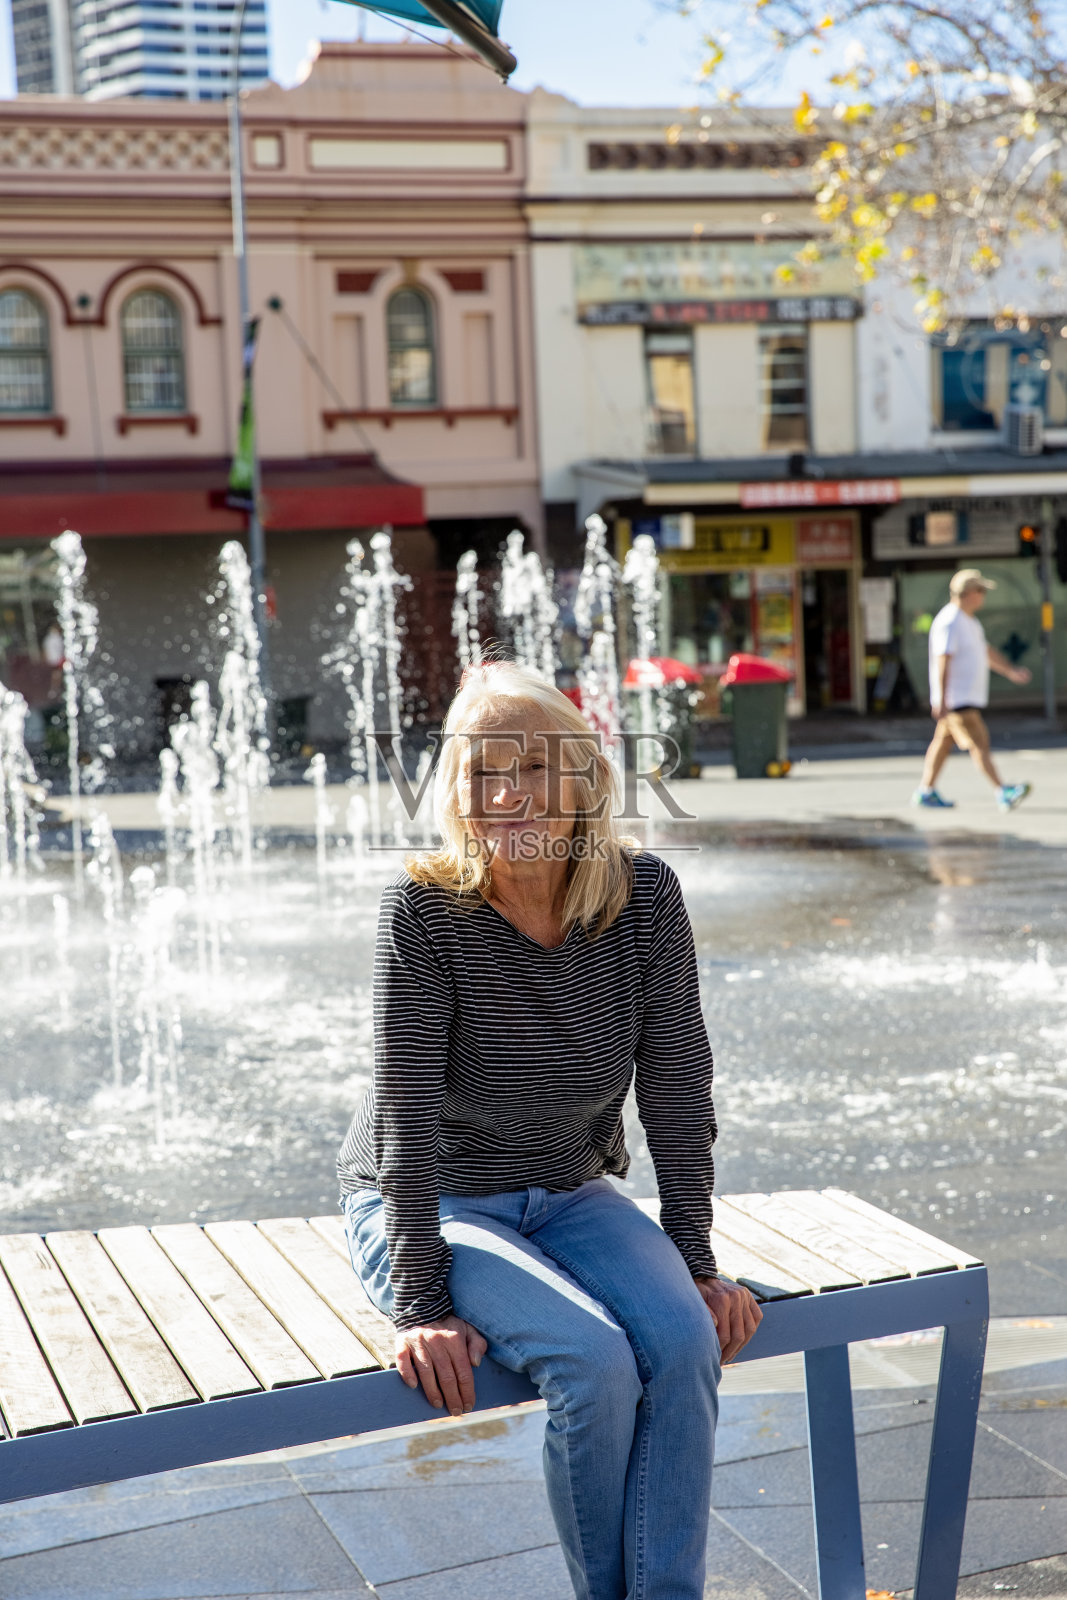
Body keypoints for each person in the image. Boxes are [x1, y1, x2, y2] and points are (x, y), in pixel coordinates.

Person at [337, 662, 761, 1600]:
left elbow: (678, 1086)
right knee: (594, 1363)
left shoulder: (643, 896)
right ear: (455, 792)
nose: (510, 792)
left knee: (685, 1341)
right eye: (483, 770)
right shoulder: (423, 910)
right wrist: (421, 1303)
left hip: (570, 1193)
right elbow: (403, 1114)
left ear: (585, 783)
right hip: (434, 1203)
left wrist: (692, 1257)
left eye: (536, 766)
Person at [913, 568, 1033, 811]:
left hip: (961, 697)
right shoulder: (950, 621)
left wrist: (1010, 671)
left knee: (942, 743)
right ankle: (1002, 790)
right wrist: (942, 699)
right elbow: (943, 660)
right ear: (967, 593)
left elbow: (985, 652)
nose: (983, 596)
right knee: (980, 744)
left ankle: (925, 790)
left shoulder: (969, 621)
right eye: (981, 591)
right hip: (958, 699)